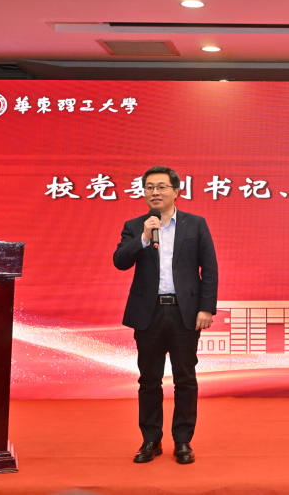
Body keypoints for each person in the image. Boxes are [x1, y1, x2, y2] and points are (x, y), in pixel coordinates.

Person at [113, 166, 218, 464]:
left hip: (185, 313)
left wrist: (206, 308)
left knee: (185, 379)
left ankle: (183, 441)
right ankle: (151, 440)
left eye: (161, 186)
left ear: (176, 191)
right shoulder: (136, 226)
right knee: (149, 380)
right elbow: (120, 261)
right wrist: (144, 237)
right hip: (149, 313)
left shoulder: (195, 224)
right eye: (149, 187)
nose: (155, 192)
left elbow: (209, 269)